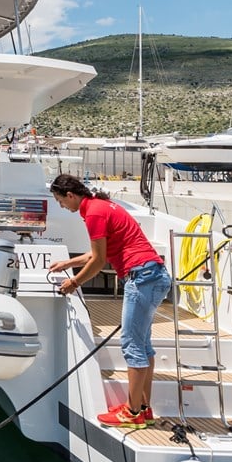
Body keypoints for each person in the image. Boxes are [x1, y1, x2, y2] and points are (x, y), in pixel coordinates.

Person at [47, 173, 171, 430]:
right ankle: (143, 408)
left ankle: (132, 413)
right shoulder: (100, 206)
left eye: (60, 201)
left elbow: (98, 260)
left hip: (142, 278)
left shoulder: (93, 213)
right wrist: (67, 263)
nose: (62, 206)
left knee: (131, 344)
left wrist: (74, 282)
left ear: (71, 195)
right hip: (154, 274)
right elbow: (97, 254)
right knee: (143, 345)